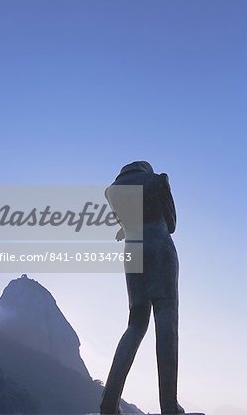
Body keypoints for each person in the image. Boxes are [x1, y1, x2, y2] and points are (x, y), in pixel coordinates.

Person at [100, 161, 185, 415]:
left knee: (135, 325)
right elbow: (171, 224)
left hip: (133, 252)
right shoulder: (157, 180)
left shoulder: (112, 191)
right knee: (166, 322)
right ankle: (168, 405)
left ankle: (108, 403)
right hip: (159, 248)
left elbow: (126, 225)